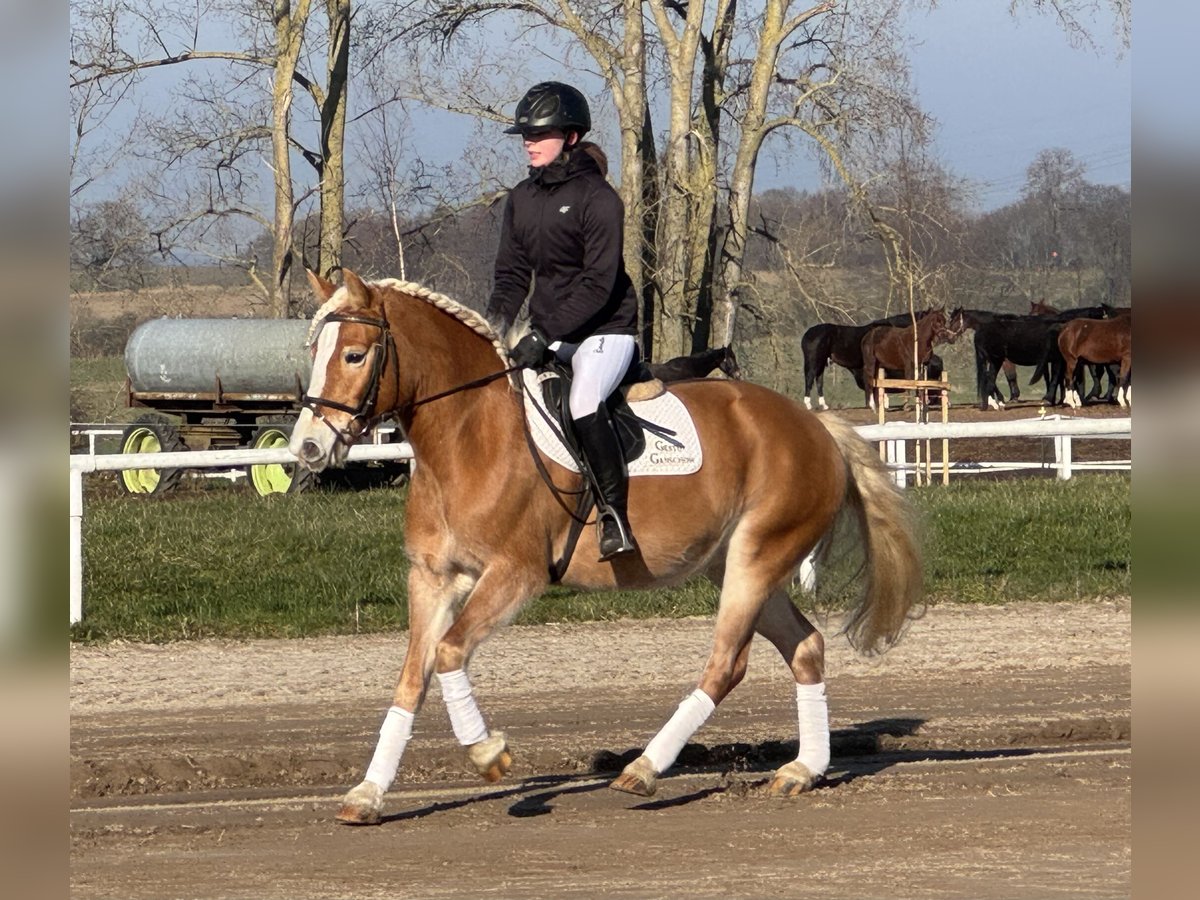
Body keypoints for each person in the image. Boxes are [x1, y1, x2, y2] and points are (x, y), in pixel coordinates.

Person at [486, 81, 639, 562]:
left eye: (540, 133)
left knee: (582, 401)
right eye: (525, 134)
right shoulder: (523, 198)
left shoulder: (600, 200)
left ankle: (615, 517)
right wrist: (493, 330)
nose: (528, 141)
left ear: (570, 137)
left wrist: (544, 333)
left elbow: (598, 283)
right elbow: (511, 275)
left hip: (605, 330)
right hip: (549, 332)